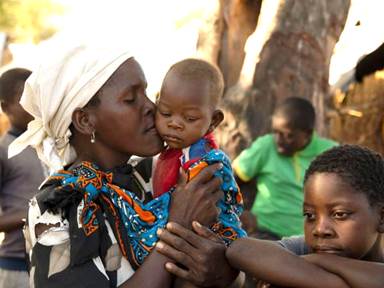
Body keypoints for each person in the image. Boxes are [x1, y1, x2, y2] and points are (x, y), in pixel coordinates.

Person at [8, 45, 240, 288]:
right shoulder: (55, 207)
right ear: (85, 120)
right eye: (131, 99)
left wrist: (222, 271)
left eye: (149, 94)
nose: (151, 106)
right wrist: (176, 228)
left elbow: (228, 257)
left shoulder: (160, 173)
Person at [156, 145, 384, 287]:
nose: (320, 229)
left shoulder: (310, 256)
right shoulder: (309, 250)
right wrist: (323, 263)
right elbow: (241, 250)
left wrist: (310, 266)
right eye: (309, 215)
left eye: (340, 214)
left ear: (381, 217)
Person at [154, 58, 246, 245]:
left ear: (213, 121)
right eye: (165, 113)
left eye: (189, 118)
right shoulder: (172, 148)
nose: (174, 124)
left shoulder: (200, 160)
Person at [233, 97, 337, 239]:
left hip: (312, 237)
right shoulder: (266, 146)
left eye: (288, 136)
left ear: (307, 134)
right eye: (276, 132)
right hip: (266, 230)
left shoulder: (330, 152)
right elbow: (231, 177)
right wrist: (236, 211)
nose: (278, 140)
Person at [0, 68, 45, 288]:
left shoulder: (50, 145)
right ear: (5, 107)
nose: (33, 102)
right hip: (16, 267)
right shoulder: (3, 151)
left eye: (35, 93)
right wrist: (36, 211)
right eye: (23, 96)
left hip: (51, 263)